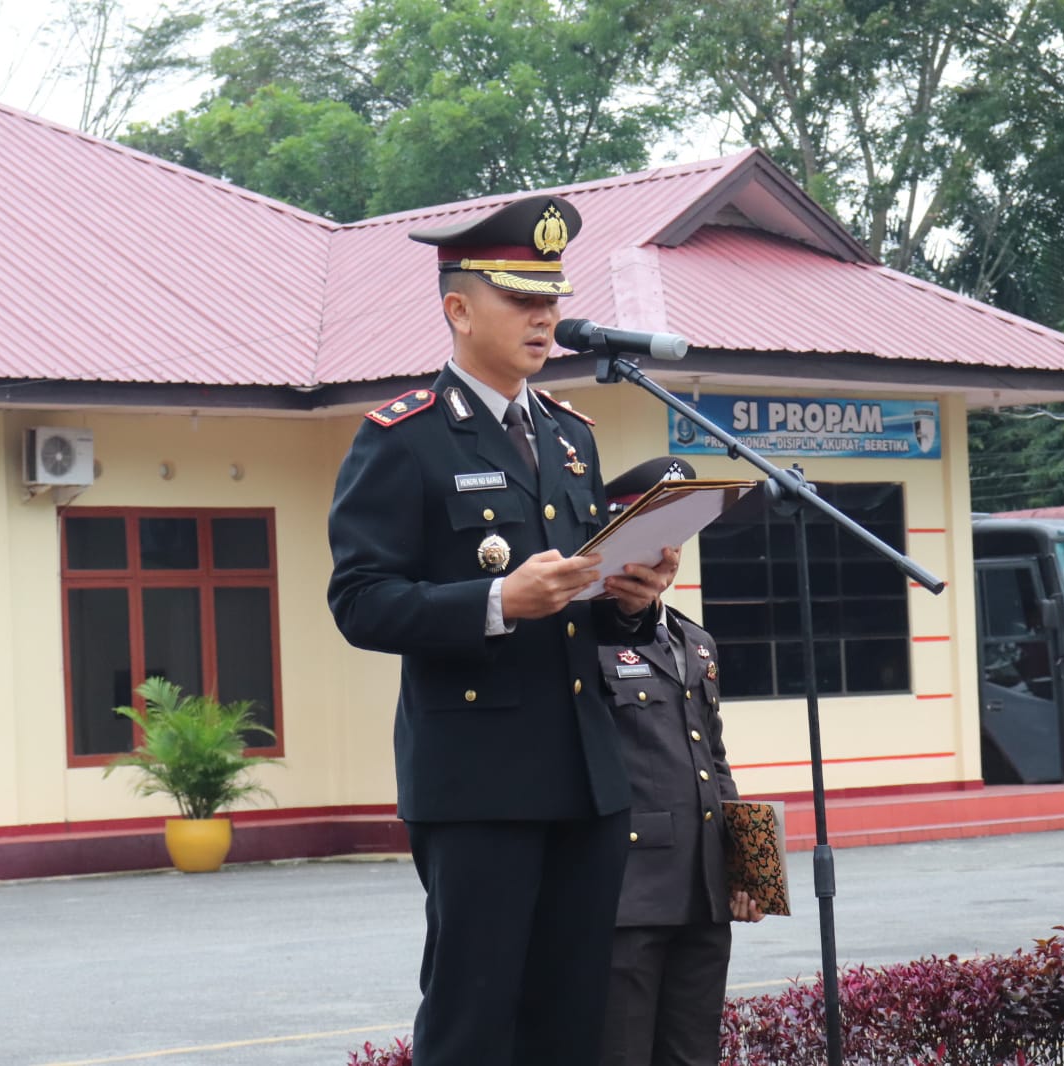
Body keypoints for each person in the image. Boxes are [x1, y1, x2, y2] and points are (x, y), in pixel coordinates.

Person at [326, 193, 678, 1066]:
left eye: (551, 298)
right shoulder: (402, 439)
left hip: (586, 774)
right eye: (521, 297)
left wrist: (632, 597)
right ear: (457, 308)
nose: (545, 316)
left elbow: (578, 609)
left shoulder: (569, 438)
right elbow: (361, 601)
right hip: (477, 781)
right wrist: (494, 604)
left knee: (571, 1019)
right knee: (474, 1020)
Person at [595, 457, 764, 1066]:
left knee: (692, 1056)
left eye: (678, 538)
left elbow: (712, 758)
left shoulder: (695, 641)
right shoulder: (586, 638)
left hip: (703, 891)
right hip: (626, 895)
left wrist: (744, 866)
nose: (667, 554)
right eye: (651, 538)